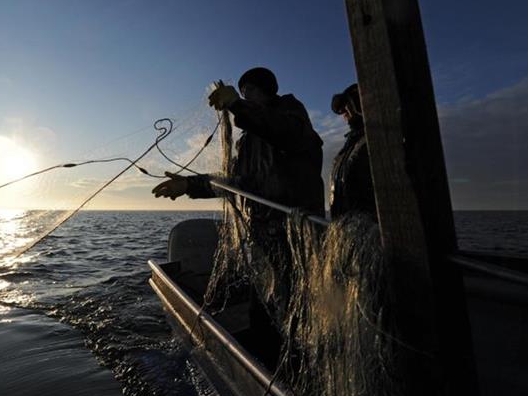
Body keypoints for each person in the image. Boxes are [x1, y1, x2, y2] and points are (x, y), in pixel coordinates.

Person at [152, 67, 324, 365]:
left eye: (248, 92)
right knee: (263, 313)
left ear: (264, 90)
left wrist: (236, 105)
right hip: (262, 236)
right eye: (241, 94)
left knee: (298, 311)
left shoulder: (291, 115)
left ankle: (301, 371)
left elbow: (284, 132)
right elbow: (238, 184)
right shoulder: (247, 142)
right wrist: (190, 184)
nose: (244, 97)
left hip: (297, 236)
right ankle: (267, 371)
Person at [329, 83, 377, 220]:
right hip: (349, 231)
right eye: (342, 110)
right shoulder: (349, 147)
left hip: (373, 231)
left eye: (348, 105)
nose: (344, 113)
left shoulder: (379, 139)